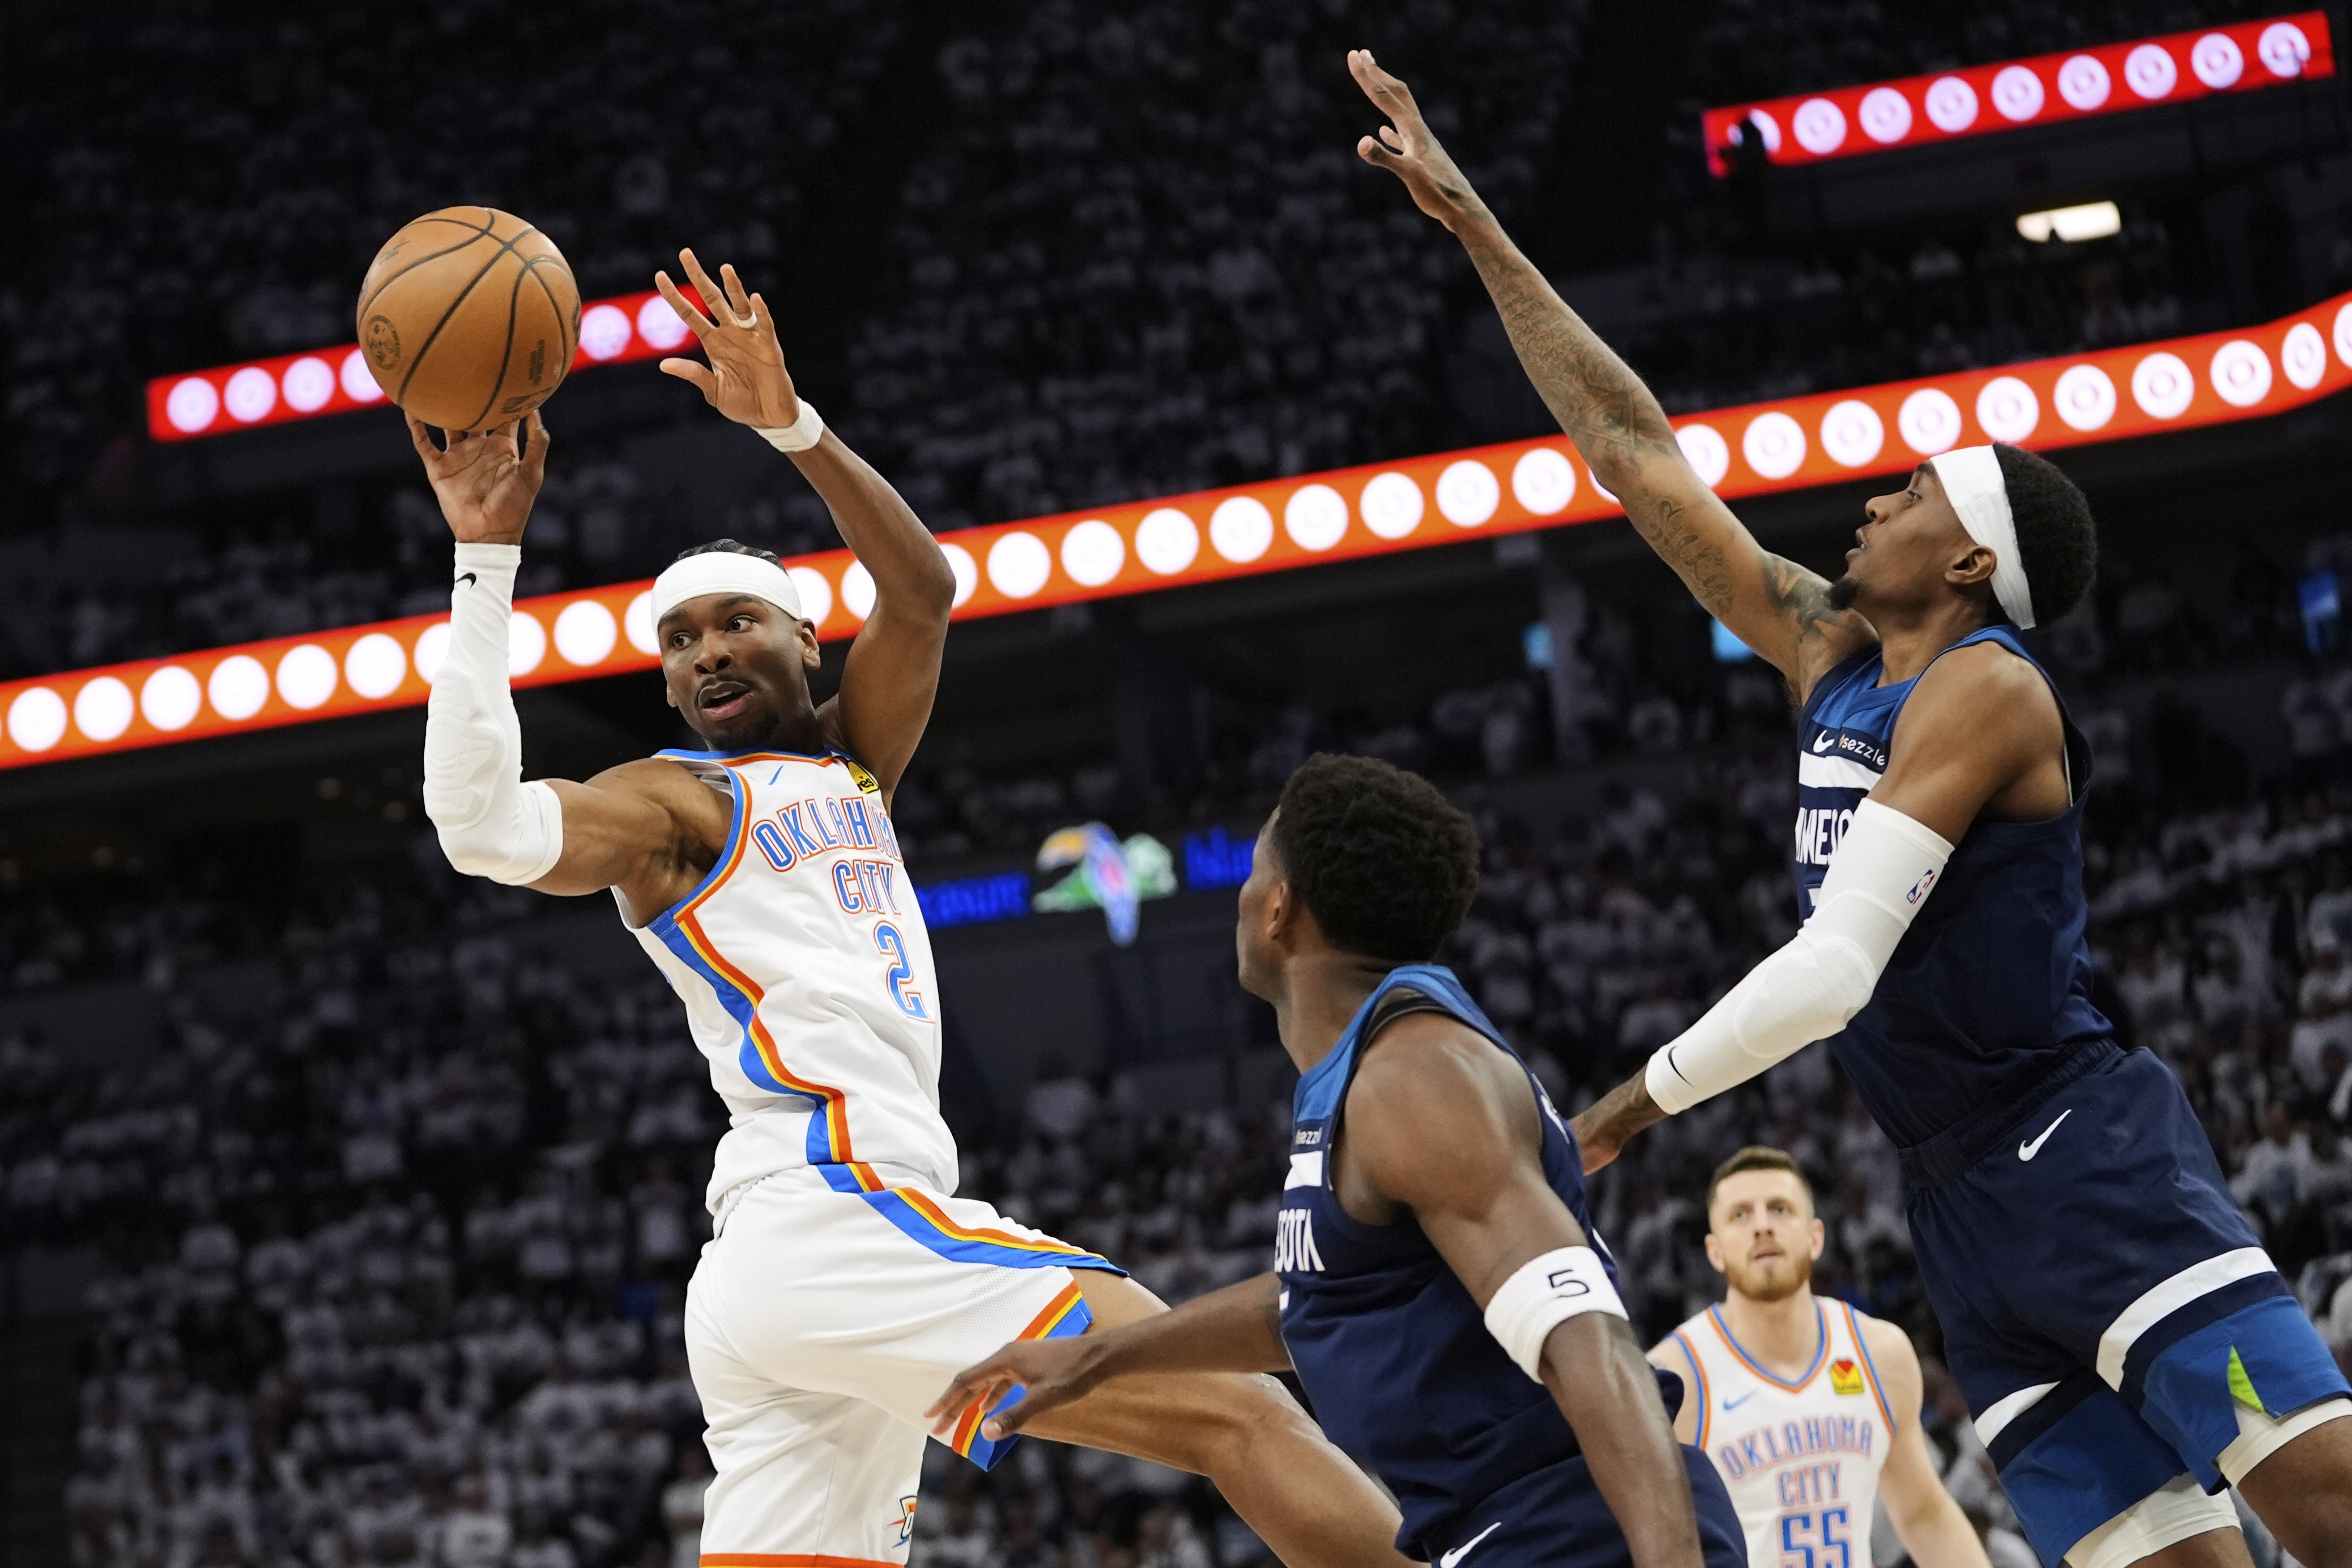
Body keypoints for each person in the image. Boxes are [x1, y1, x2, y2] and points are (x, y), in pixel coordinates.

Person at [1338, 47, 2352, 1568]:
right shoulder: (1827, 645)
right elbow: (1636, 456)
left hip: (2077, 1152)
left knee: (2327, 1519)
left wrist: (1618, 1109)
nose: (1876, 501)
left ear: (1966, 567)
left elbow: (1834, 967)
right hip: (1952, 1200)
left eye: (1916, 498)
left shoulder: (1991, 690)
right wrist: (1477, 223)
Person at [407, 249, 1415, 1568]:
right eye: (680, 640)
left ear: (802, 642)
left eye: (736, 624)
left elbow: (925, 591)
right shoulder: (675, 802)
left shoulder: (848, 764)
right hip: (832, 1210)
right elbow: (478, 826)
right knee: (1235, 1409)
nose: (707, 649)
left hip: (798, 1270)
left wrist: (791, 428)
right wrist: (485, 558)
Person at [927, 755, 1748, 1568]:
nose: (1243, 897)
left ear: (1279, 910)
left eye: (1254, 873)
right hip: (1519, 1532)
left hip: (1581, 1532)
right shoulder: (1367, 1074)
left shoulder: (1411, 1077)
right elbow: (1325, 1297)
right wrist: (1097, 1357)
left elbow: (1588, 1339)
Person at [1657, 1147, 1992, 1568]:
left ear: (1816, 1237)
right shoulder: (1676, 1375)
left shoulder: (1879, 1352)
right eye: (1740, 1215)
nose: (1762, 1226)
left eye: (1779, 1209)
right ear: (1715, 1251)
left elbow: (1923, 1513)